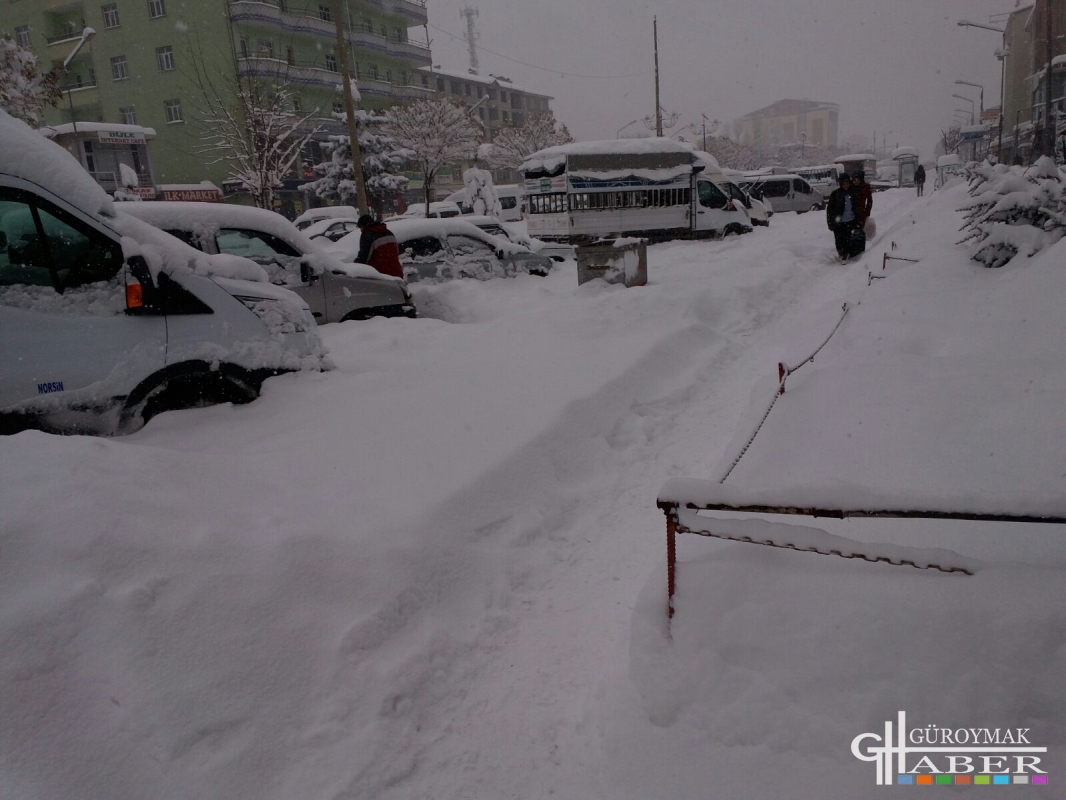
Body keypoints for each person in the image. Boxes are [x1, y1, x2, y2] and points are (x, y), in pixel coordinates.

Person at [354, 214, 403, 278]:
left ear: (364, 225)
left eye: (361, 227)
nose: (361, 230)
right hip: (396, 274)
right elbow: (396, 252)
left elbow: (363, 258)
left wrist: (354, 266)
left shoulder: (367, 236)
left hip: (380, 276)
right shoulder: (389, 233)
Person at [827, 173, 860, 262]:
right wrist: (830, 222)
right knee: (839, 239)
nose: (846, 185)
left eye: (847, 183)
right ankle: (841, 254)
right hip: (839, 222)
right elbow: (830, 210)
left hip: (850, 221)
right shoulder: (835, 194)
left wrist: (858, 219)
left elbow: (856, 207)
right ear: (841, 184)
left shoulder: (852, 193)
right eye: (844, 184)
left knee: (848, 239)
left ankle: (847, 253)